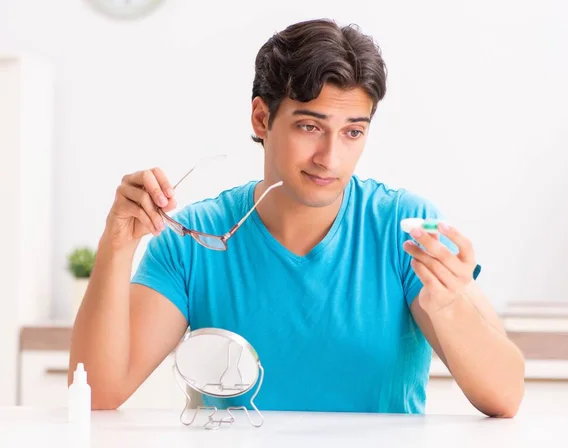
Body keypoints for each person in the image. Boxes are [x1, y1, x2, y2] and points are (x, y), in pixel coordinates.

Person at [68, 18, 525, 417]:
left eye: (352, 133)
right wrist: (117, 242)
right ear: (262, 119)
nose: (330, 157)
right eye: (310, 127)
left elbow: (505, 397)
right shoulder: (191, 242)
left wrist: (448, 307)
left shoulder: (404, 231)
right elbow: (98, 396)